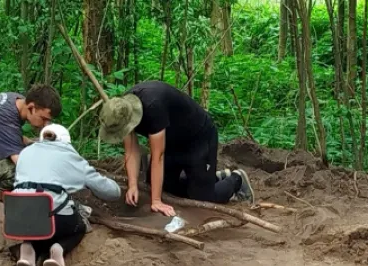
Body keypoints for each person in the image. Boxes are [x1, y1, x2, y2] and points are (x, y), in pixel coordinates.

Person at [98, 81, 254, 217]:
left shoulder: (152, 107)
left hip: (198, 138)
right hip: (172, 141)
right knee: (162, 187)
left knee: (201, 197)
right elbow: (131, 151)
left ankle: (236, 179)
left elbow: (158, 155)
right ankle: (213, 178)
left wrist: (156, 201)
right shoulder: (121, 112)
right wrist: (132, 185)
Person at [11, 123, 122, 266]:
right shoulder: (70, 156)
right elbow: (110, 192)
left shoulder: (25, 153)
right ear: (66, 141)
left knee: (35, 217)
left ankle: (27, 249)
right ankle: (58, 250)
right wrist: (118, 188)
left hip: (16, 220)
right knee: (78, 226)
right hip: (52, 219)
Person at [0, 85, 62, 190]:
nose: (45, 125)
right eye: (43, 119)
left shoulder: (16, 101)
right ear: (31, 107)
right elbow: (23, 165)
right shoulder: (4, 119)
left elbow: (10, 134)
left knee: (37, 148)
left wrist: (33, 144)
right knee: (19, 174)